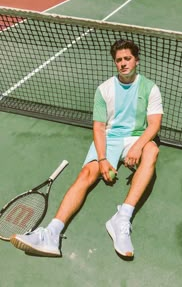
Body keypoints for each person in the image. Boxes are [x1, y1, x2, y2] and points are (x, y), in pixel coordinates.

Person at [10, 39, 163, 258]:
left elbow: (154, 125)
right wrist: (102, 159)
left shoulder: (150, 88)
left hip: (136, 138)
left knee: (152, 151)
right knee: (86, 174)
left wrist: (137, 147)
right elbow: (99, 128)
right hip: (110, 138)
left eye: (127, 58)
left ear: (136, 60)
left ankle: (122, 217)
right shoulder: (104, 89)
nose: (123, 63)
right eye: (118, 60)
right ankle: (51, 234)